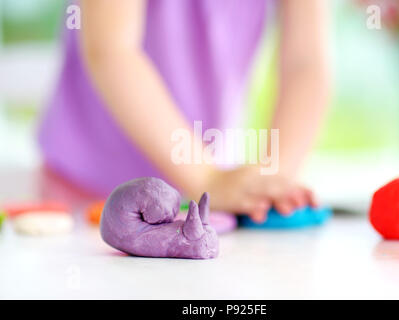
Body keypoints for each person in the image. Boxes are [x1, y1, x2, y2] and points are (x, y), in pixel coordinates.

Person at [39, 0, 330, 223]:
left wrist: (270, 183)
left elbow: (304, 64)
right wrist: (206, 179)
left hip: (208, 198)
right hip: (90, 186)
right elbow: (112, 49)